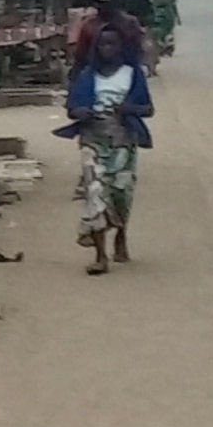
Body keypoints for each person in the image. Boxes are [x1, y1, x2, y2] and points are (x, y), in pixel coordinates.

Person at [54, 19, 153, 273]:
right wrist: (80, 112)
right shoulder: (87, 75)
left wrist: (129, 109)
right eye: (102, 44)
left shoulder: (133, 74)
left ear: (121, 46)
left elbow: (148, 109)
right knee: (95, 192)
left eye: (112, 44)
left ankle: (121, 234)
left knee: (121, 192)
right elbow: (71, 109)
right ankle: (100, 255)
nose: (107, 48)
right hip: (92, 139)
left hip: (122, 139)